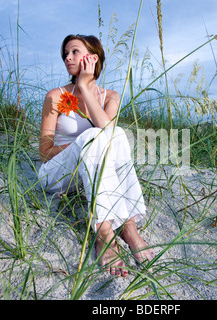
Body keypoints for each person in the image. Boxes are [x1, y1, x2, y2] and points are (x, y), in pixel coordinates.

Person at [38, 34, 155, 277]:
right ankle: (103, 232)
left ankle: (128, 226)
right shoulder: (56, 96)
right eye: (65, 54)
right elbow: (44, 153)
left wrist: (83, 86)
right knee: (93, 137)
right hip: (57, 175)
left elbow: (108, 132)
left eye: (74, 52)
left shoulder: (110, 97)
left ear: (93, 58)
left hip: (89, 174)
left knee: (116, 133)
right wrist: (81, 144)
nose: (67, 58)